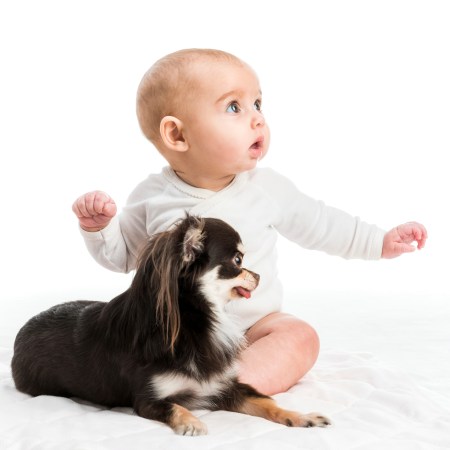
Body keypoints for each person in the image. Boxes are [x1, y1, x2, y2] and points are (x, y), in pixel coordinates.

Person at [72, 48, 427, 396]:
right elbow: (123, 256)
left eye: (257, 104)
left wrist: (378, 241)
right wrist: (99, 228)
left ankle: (227, 386)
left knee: (299, 337)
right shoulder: (152, 197)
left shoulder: (266, 189)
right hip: (182, 333)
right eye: (234, 107)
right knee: (138, 340)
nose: (258, 119)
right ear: (177, 135)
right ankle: (186, 382)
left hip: (255, 329)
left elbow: (321, 223)